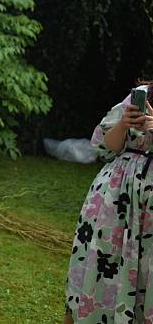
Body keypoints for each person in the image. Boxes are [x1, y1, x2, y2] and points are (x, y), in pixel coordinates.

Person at [65, 85, 153, 323]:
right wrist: (124, 123)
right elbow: (106, 148)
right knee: (102, 266)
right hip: (114, 201)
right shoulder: (144, 93)